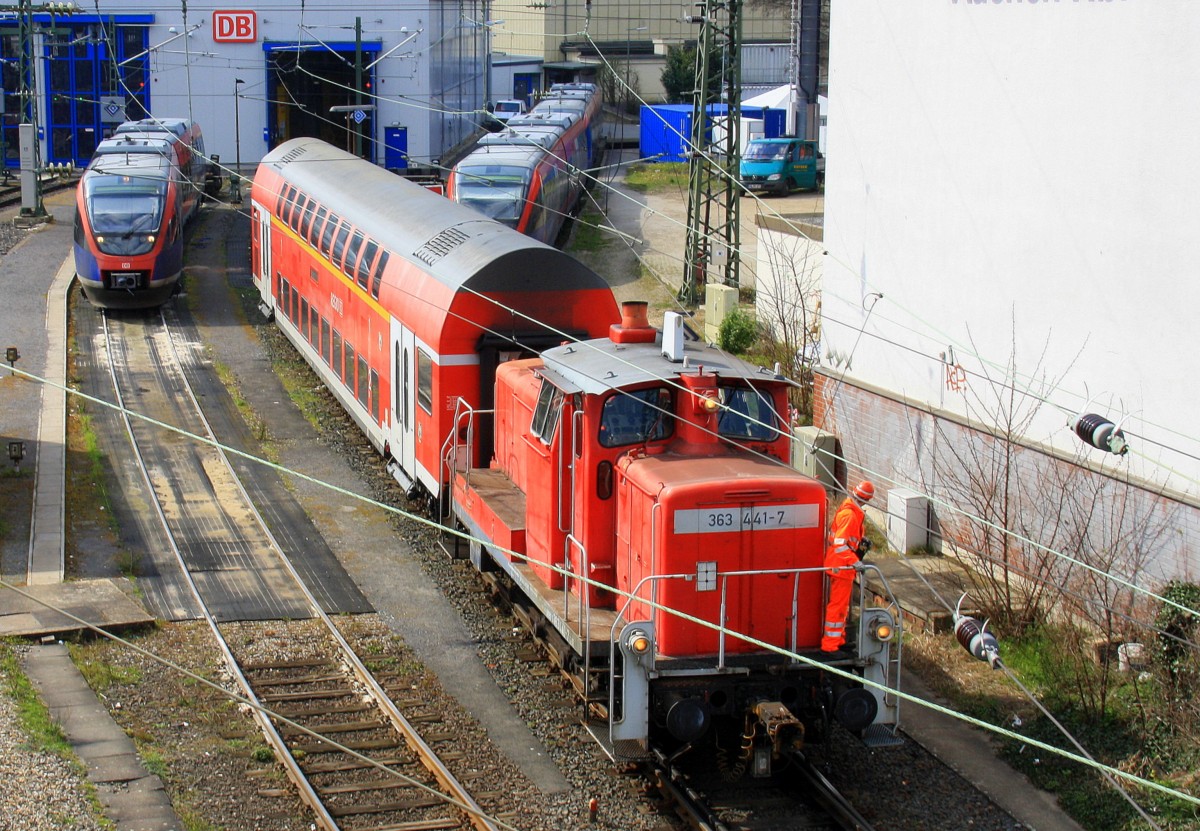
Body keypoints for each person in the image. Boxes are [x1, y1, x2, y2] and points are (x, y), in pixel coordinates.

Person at [821, 480, 875, 654]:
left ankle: (839, 639)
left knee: (841, 607)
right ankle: (830, 645)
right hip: (841, 567)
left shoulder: (850, 512)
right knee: (838, 606)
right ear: (867, 500)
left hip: (841, 566)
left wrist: (861, 544)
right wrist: (855, 562)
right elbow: (841, 544)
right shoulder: (850, 515)